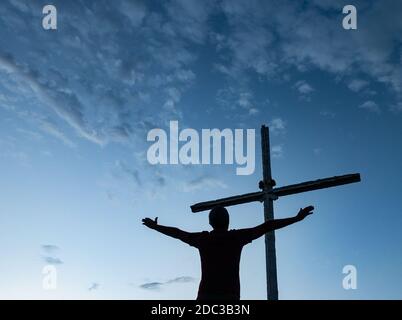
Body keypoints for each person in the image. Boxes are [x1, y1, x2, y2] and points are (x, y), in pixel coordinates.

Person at [142, 205, 314, 300]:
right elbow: (268, 225)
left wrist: (156, 227)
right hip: (229, 297)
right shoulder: (236, 237)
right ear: (228, 221)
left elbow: (178, 233)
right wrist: (295, 218)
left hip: (206, 296)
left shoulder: (204, 239)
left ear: (210, 222)